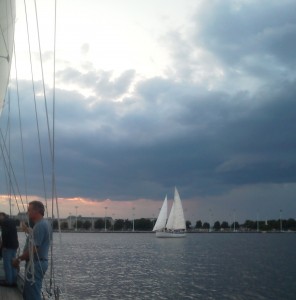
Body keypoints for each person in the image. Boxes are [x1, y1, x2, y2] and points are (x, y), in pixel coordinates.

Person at [12, 201, 52, 300]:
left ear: (36, 211)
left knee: (32, 295)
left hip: (36, 265)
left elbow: (34, 248)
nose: (27, 212)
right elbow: (39, 238)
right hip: (38, 263)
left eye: (29, 210)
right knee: (30, 292)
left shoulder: (40, 226)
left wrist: (19, 259)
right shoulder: (44, 224)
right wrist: (28, 230)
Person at [0, 212, 19, 287]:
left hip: (7, 246)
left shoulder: (4, 222)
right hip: (14, 245)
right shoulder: (11, 221)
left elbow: (4, 234)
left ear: (2, 216)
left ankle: (8, 281)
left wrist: (3, 246)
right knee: (13, 263)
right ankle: (14, 281)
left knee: (7, 264)